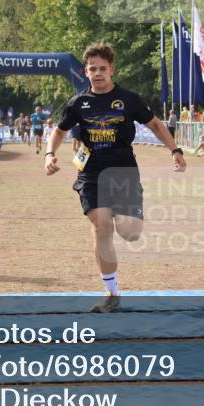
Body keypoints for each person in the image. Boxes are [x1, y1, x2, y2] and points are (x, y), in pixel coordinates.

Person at [44, 43, 185, 313]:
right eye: (92, 69)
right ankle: (111, 294)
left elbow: (155, 124)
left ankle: (126, 218)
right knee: (101, 226)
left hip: (123, 171)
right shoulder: (78, 103)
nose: (97, 73)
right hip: (91, 173)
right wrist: (49, 154)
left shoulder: (129, 99)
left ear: (111, 70)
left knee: (129, 232)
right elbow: (60, 131)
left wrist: (175, 150)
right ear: (86, 72)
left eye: (102, 69)